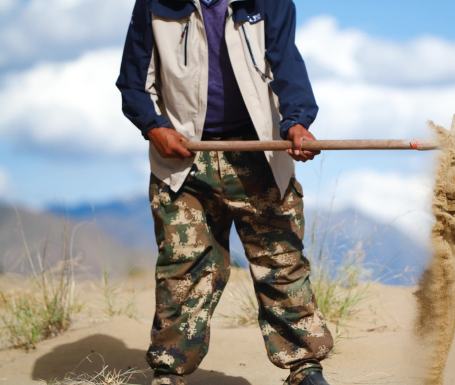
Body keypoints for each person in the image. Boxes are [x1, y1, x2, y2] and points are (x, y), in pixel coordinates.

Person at [115, 0, 333, 384]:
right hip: (184, 160)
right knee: (183, 270)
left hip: (260, 155)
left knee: (282, 265)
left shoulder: (269, 2)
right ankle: (169, 371)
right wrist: (154, 127)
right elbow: (133, 83)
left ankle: (304, 368)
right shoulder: (155, 3)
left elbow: (287, 66)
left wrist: (297, 123)